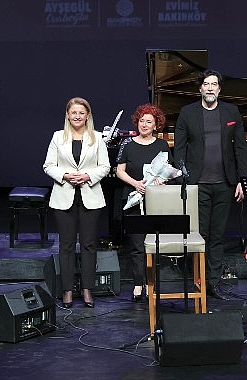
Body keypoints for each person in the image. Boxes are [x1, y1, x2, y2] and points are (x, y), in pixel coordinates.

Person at [174, 69, 247, 300]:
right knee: (200, 234)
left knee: (217, 235)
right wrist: (183, 178)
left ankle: (213, 283)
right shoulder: (188, 113)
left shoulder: (231, 111)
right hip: (198, 184)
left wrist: (242, 181)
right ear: (200, 88)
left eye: (213, 84)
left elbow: (240, 148)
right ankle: (198, 280)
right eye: (205, 84)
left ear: (219, 89)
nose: (209, 88)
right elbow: (179, 148)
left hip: (225, 183)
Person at [43, 97, 110, 308]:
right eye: (74, 113)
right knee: (67, 245)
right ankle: (68, 290)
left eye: (81, 113)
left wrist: (88, 176)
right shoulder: (57, 137)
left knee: (89, 244)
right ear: (67, 115)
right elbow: (48, 165)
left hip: (91, 196)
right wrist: (65, 175)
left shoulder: (97, 138)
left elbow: (105, 166)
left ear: (87, 115)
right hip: (64, 196)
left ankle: (87, 289)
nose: (77, 116)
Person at [116, 104, 171, 302]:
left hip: (156, 199)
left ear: (156, 125)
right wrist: (135, 184)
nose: (144, 124)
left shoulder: (162, 145)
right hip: (134, 198)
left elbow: (167, 170)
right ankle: (138, 284)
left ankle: (152, 283)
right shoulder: (129, 145)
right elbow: (119, 170)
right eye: (141, 121)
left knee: (154, 244)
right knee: (137, 245)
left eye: (149, 121)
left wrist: (162, 180)